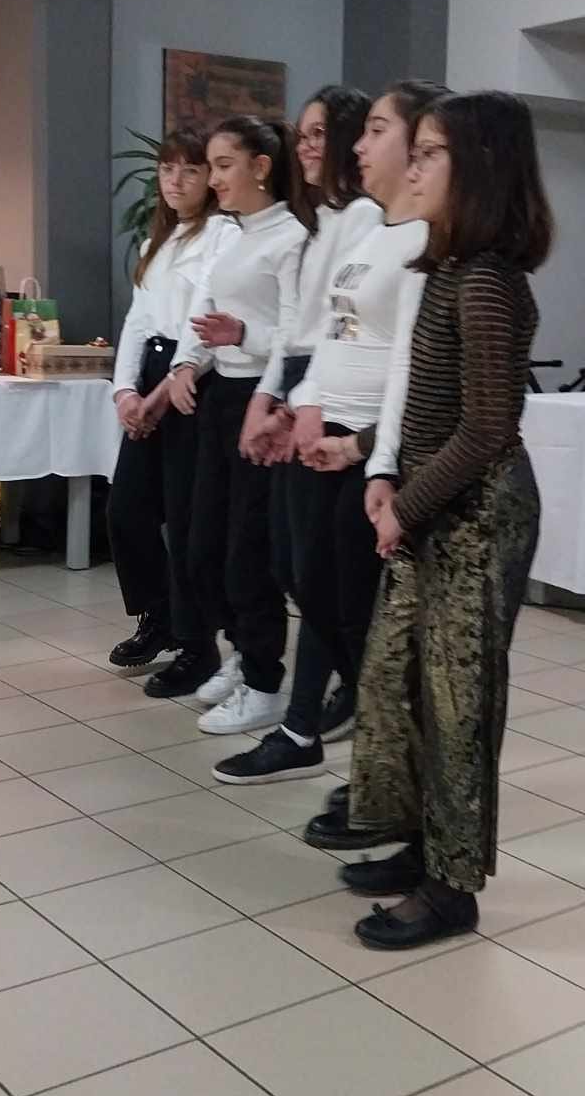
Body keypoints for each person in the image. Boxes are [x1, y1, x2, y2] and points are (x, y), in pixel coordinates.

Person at [343, 90, 553, 951]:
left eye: (431, 153)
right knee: (400, 683)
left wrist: (406, 506)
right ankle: (419, 840)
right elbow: (427, 403)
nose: (415, 166)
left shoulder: (490, 283)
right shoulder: (449, 270)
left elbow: (488, 428)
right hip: (435, 504)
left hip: (477, 515)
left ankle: (452, 886)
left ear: (480, 171)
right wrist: (374, 459)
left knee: (459, 704)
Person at [213, 80, 446, 790]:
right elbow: (332, 332)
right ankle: (345, 723)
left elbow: (405, 363)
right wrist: (299, 404)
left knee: (340, 599)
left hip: (362, 436)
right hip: (327, 418)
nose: (353, 146)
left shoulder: (420, 239)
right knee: (306, 580)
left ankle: (347, 736)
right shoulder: (370, 229)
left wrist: (370, 450)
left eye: (375, 130)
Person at [158, 115, 311, 730]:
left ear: (261, 167)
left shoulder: (291, 236)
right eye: (213, 166)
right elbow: (204, 312)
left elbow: (296, 337)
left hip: (262, 400)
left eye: (224, 165)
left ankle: (265, 679)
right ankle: (241, 652)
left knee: (249, 550)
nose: (213, 178)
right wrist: (186, 364)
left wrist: (245, 335)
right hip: (220, 394)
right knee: (202, 547)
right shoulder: (229, 231)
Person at [237, 83, 377, 748]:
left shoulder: (367, 219)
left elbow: (341, 331)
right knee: (294, 567)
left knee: (316, 571)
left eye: (320, 133)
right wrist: (270, 399)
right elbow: (298, 328)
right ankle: (347, 686)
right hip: (306, 381)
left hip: (334, 395)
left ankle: (327, 705)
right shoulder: (321, 221)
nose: (307, 146)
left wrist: (298, 405)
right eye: (303, 135)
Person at [106, 129, 237, 679]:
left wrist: (161, 395)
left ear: (209, 178)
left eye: (190, 170)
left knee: (185, 521)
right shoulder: (153, 243)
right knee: (126, 509)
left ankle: (195, 641)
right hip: (152, 374)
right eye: (166, 170)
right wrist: (125, 391)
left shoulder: (224, 235)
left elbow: (203, 324)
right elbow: (138, 322)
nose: (176, 181)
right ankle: (157, 615)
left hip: (191, 381)